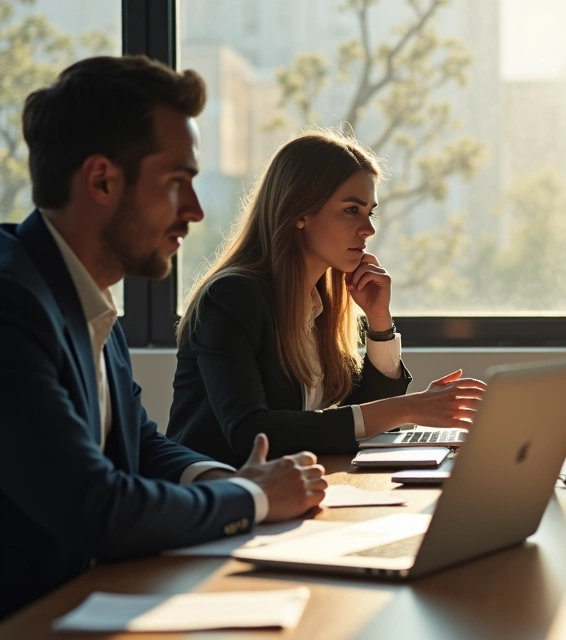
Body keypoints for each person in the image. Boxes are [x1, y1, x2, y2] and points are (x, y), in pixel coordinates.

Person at [0, 56, 324, 618]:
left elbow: (139, 444)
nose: (196, 211)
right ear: (101, 179)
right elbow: (96, 506)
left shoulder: (82, 292)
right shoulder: (11, 303)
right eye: (178, 183)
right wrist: (252, 497)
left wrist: (232, 478)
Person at [167, 130, 487, 467]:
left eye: (370, 212)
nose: (368, 229)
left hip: (282, 490)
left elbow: (362, 423)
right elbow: (252, 433)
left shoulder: (318, 303)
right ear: (299, 212)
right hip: (216, 499)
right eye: (352, 210)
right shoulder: (232, 297)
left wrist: (379, 323)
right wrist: (410, 407)